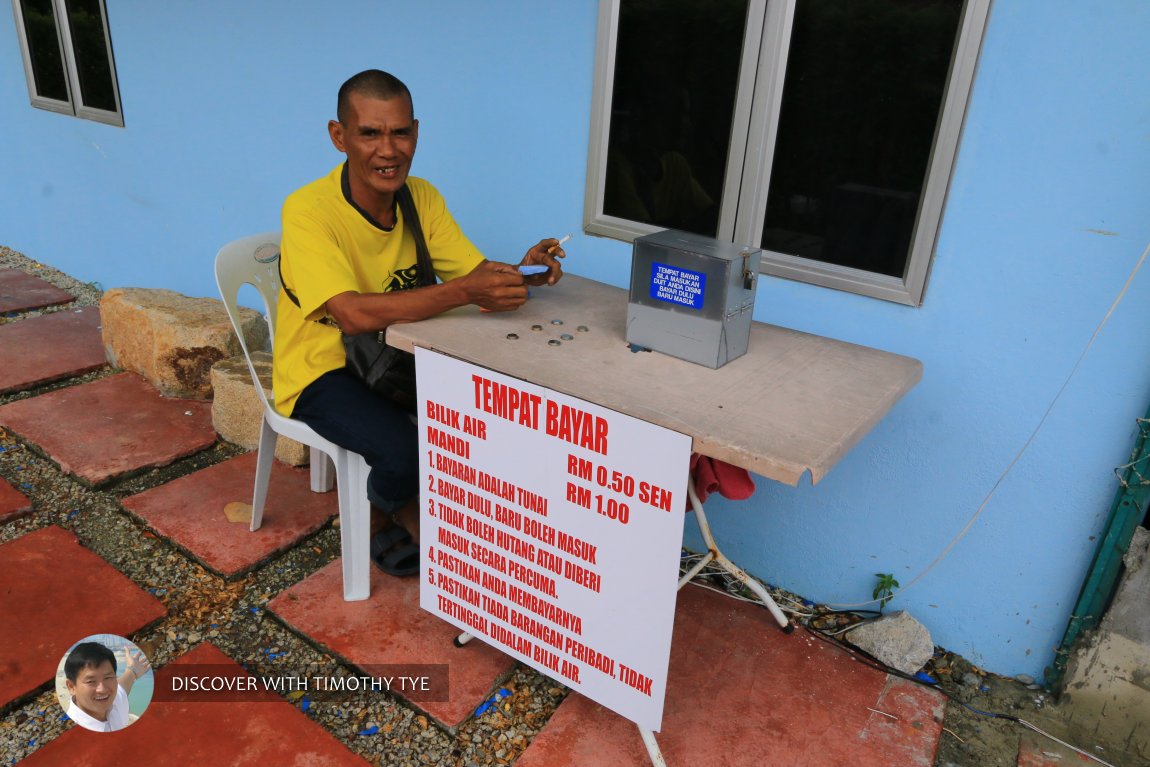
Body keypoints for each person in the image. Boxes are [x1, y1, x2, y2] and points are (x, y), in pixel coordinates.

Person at [273, 69, 564, 577]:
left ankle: (453, 516)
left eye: (400, 132)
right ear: (339, 136)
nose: (389, 150)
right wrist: (467, 291)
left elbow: (471, 278)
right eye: (369, 133)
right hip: (321, 370)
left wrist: (520, 274)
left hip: (393, 360)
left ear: (416, 132)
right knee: (406, 448)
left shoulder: (421, 197)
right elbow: (350, 313)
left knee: (493, 415)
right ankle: (381, 505)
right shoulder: (308, 211)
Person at [63, 641, 149, 732]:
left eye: (107, 678)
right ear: (71, 687)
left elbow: (123, 684)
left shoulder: (115, 702)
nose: (102, 690)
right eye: (91, 681)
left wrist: (133, 670)